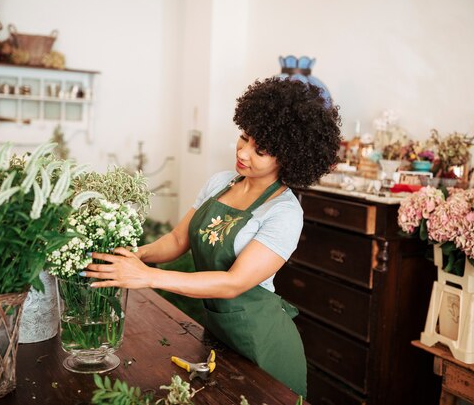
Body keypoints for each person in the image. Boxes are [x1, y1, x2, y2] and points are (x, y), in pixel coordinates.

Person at [83, 77, 341, 397]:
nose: (244, 152)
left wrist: (147, 277)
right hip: (218, 335)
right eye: (244, 138)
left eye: (259, 150)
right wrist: (135, 255)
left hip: (264, 346)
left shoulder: (284, 213)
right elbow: (178, 240)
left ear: (287, 158)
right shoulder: (220, 183)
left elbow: (233, 282)